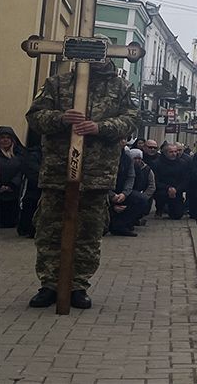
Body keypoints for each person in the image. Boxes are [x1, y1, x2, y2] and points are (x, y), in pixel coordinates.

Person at [25, 59, 138, 309]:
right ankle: (49, 284)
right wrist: (61, 118)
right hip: (58, 170)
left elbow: (130, 120)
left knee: (88, 232)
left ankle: (78, 285)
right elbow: (34, 116)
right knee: (49, 230)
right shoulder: (57, 83)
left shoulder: (121, 87)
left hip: (96, 173)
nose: (94, 60)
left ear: (108, 57)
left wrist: (100, 127)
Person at [108, 144, 141, 236]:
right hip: (105, 191)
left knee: (140, 199)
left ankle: (121, 226)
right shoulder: (105, 156)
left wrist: (124, 194)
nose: (123, 141)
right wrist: (111, 195)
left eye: (124, 139)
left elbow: (131, 177)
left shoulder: (127, 158)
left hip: (121, 191)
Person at [153, 142, 191, 220]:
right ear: (165, 153)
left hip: (177, 190)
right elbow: (155, 181)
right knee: (161, 195)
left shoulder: (182, 163)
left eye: (175, 151)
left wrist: (176, 189)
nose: (174, 154)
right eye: (171, 152)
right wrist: (168, 188)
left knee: (177, 215)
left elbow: (185, 180)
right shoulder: (157, 163)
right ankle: (160, 208)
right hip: (162, 190)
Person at [0, 126, 26, 228]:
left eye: (8, 137)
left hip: (14, 191)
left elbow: (21, 171)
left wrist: (12, 185)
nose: (5, 140)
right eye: (2, 137)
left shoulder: (20, 154)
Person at [128, 149, 155, 227]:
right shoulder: (127, 168)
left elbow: (152, 185)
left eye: (139, 158)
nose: (137, 161)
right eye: (135, 158)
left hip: (143, 193)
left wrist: (145, 196)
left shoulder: (147, 169)